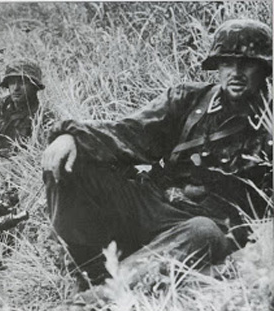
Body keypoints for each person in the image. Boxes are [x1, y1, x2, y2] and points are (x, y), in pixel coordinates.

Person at [41, 19, 272, 301]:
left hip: (204, 223)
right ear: (218, 65)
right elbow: (129, 132)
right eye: (227, 62)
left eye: (247, 63)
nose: (235, 72)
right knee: (72, 164)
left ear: (264, 68)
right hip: (151, 201)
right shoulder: (189, 100)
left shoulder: (269, 124)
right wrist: (69, 135)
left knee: (204, 232)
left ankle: (100, 297)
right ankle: (85, 269)